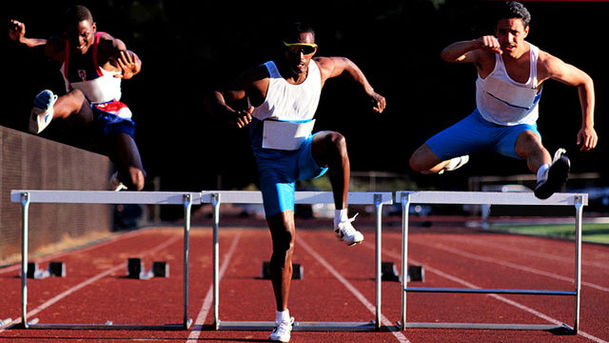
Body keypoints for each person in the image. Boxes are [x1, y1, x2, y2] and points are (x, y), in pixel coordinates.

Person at [208, 22, 386, 342]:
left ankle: (341, 220)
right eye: (296, 49)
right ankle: (283, 319)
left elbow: (347, 64)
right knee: (285, 239)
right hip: (273, 166)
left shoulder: (320, 70)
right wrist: (230, 114)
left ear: (314, 51)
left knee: (337, 141)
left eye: (308, 50)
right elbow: (218, 94)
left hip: (304, 153)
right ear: (284, 48)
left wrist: (370, 91)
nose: (301, 56)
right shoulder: (263, 78)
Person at [409, 1, 597, 199]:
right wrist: (476, 42)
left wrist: (588, 125)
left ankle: (545, 177)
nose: (508, 39)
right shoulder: (485, 54)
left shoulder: (543, 63)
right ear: (495, 32)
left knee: (533, 144)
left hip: (517, 129)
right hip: (479, 123)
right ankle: (454, 161)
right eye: (502, 32)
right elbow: (447, 55)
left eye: (514, 32)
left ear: (526, 31)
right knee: (418, 163)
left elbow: (585, 81)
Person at [8, 5, 145, 191]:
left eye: (84, 34)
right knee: (77, 96)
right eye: (73, 35)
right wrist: (21, 39)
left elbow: (126, 54)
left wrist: (134, 67)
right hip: (83, 118)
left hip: (112, 117)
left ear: (94, 29)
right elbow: (41, 43)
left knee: (136, 182)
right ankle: (43, 115)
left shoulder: (105, 46)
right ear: (66, 33)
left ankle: (120, 175)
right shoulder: (62, 47)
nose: (79, 41)